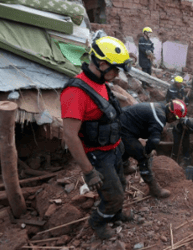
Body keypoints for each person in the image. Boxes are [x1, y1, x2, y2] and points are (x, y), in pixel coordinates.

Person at [60, 36, 133, 239]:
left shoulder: (100, 82)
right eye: (115, 68)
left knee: (120, 184)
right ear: (101, 64)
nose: (117, 74)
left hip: (113, 149)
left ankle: (115, 214)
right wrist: (88, 171)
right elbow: (70, 134)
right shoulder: (75, 92)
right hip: (97, 156)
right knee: (114, 195)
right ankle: (98, 223)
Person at [120, 99, 187, 198]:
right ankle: (154, 189)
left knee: (131, 146)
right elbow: (154, 141)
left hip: (123, 122)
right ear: (170, 114)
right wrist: (147, 152)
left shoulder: (159, 106)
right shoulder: (160, 117)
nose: (174, 121)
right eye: (175, 118)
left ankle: (124, 165)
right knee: (142, 156)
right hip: (123, 129)